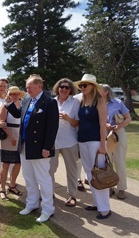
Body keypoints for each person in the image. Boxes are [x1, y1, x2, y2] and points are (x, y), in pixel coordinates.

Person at [5, 74, 59, 223]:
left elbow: (52, 127)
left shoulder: (49, 102)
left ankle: (48, 209)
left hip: (40, 148)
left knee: (43, 179)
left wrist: (47, 147)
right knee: (29, 177)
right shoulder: (27, 100)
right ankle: (32, 203)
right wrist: (9, 104)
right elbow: (19, 115)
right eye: (27, 87)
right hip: (25, 145)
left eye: (30, 87)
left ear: (39, 86)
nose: (27, 89)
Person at [74, 74, 110, 219]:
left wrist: (103, 144)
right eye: (81, 85)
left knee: (99, 174)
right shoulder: (82, 101)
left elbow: (102, 125)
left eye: (85, 85)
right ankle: (96, 203)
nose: (82, 88)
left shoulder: (100, 101)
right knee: (90, 174)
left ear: (93, 87)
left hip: (96, 141)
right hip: (83, 140)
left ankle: (105, 208)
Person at [49, 78, 80, 207]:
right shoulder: (52, 102)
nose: (64, 89)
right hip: (53, 142)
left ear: (70, 90)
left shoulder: (75, 102)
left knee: (72, 170)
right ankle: (49, 192)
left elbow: (78, 123)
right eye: (62, 87)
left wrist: (69, 119)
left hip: (70, 142)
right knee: (50, 169)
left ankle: (72, 195)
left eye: (67, 87)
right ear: (58, 88)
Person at [100, 84, 131, 200]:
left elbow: (128, 118)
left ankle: (121, 188)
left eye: (100, 89)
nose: (97, 91)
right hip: (104, 134)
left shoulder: (118, 102)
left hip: (118, 134)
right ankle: (110, 186)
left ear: (106, 91)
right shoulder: (96, 104)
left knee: (120, 162)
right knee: (107, 162)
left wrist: (119, 126)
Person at [0, 86, 24, 200]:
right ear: (9, 94)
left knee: (18, 163)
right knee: (6, 163)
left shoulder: (22, 105)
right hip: (8, 136)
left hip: (20, 136)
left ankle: (12, 185)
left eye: (17, 94)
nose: (15, 96)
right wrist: (11, 136)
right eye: (12, 94)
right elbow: (2, 122)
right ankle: (2, 189)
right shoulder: (5, 105)